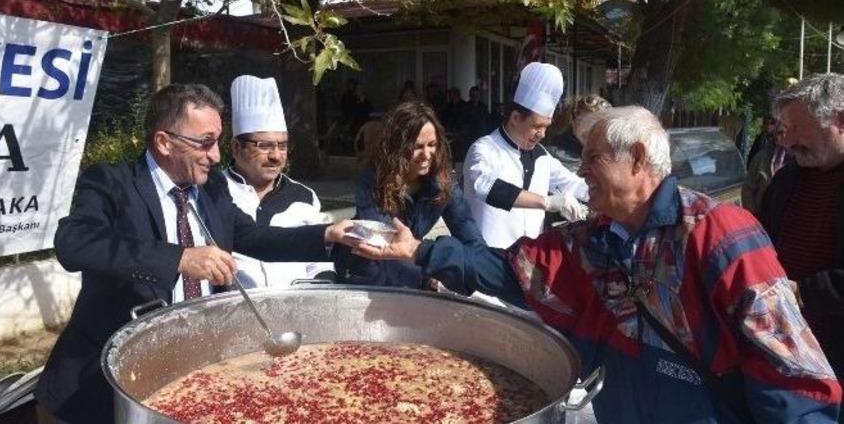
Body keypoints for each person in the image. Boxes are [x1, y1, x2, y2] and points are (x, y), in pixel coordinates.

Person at [355, 106, 842, 423]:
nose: (581, 171)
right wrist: (420, 251)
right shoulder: (588, 239)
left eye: (592, 158)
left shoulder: (720, 233)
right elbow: (508, 272)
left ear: (635, 158)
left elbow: (788, 366)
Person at [35, 84, 356, 424]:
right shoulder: (112, 183)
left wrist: (326, 236)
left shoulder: (212, 188)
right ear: (164, 142)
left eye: (217, 141)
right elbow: (74, 243)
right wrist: (179, 259)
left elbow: (251, 236)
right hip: (96, 387)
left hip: (186, 373)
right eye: (205, 142)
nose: (216, 155)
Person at [335, 101, 482, 288]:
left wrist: (482, 268)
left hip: (414, 271)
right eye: (417, 147)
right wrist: (431, 274)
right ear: (396, 146)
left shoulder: (444, 182)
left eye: (432, 145)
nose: (427, 154)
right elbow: (383, 242)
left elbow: (467, 230)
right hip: (367, 275)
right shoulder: (372, 179)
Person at [759, 73, 844, 397]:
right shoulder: (787, 180)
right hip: (786, 353)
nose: (785, 140)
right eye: (784, 129)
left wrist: (800, 292)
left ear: (840, 121)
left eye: (795, 127)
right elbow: (761, 238)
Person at [223, 75, 336, 288]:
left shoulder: (304, 196)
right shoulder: (215, 192)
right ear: (236, 147)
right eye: (264, 146)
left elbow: (319, 265)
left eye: (282, 146)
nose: (276, 156)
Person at [463, 62, 588, 249]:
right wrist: (547, 201)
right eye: (537, 126)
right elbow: (484, 187)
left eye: (546, 127)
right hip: (487, 257)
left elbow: (572, 183)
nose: (542, 134)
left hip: (528, 262)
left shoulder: (541, 155)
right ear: (515, 118)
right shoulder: (484, 149)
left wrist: (606, 195)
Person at [741, 121, 791, 215]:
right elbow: (748, 189)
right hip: (761, 217)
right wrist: (753, 215)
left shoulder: (797, 159)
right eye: (777, 133)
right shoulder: (761, 158)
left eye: (783, 132)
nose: (779, 137)